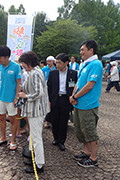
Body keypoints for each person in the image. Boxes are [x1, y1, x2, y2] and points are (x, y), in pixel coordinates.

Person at [69, 40, 103, 168]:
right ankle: (86, 152)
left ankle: (93, 159)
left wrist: (75, 96)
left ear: (91, 50)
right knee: (81, 131)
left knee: (90, 132)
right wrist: (73, 96)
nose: (80, 52)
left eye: (83, 49)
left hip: (88, 105)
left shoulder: (96, 64)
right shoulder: (84, 64)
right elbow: (79, 83)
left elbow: (89, 85)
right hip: (78, 103)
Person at [17, 51, 50, 173]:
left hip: (37, 111)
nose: (23, 66)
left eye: (23, 63)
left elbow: (38, 92)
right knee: (33, 136)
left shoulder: (35, 73)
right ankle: (34, 159)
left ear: (29, 63)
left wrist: (25, 96)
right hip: (35, 110)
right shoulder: (34, 72)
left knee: (36, 138)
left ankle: (39, 165)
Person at [47, 53, 78, 151]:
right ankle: (55, 138)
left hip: (66, 100)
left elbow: (75, 87)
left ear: (66, 63)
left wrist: (73, 97)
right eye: (56, 63)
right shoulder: (53, 73)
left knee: (63, 121)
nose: (57, 65)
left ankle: (62, 141)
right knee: (54, 120)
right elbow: (49, 88)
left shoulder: (73, 73)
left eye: (59, 63)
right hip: (55, 99)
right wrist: (48, 100)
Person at [0, 45, 21, 150]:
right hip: (1, 98)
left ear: (7, 57)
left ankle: (13, 140)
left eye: (0, 58)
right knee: (1, 118)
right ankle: (3, 137)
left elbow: (19, 83)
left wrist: (16, 97)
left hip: (11, 99)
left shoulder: (16, 66)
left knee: (12, 119)